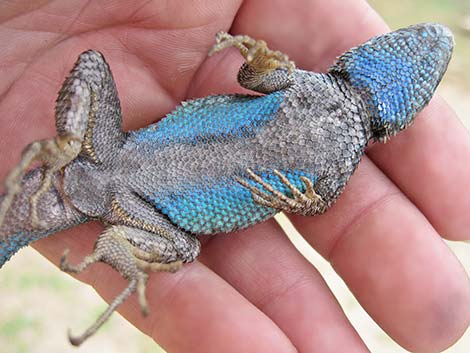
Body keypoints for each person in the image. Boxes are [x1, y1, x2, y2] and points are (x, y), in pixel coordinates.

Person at [0, 0, 469, 352]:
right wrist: (300, 197)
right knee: (183, 248)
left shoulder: (303, 82)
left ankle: (67, 151)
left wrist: (263, 63)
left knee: (92, 66)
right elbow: (317, 201)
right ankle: (115, 245)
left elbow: (251, 82)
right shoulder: (338, 162)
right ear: (401, 115)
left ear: (362, 56)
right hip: (137, 206)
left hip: (113, 161)